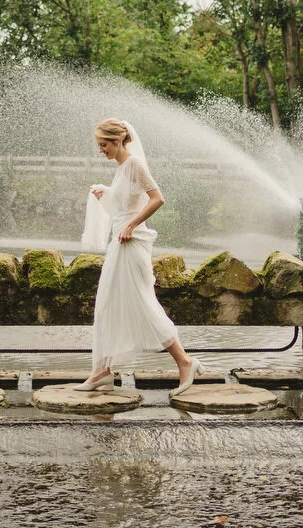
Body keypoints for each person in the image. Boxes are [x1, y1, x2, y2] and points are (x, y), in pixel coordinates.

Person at [77, 118, 208, 396]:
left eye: (103, 145)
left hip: (131, 244)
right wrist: (107, 193)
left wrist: (131, 225)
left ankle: (186, 362)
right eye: (99, 145)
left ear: (117, 141)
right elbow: (127, 201)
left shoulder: (134, 163)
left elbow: (157, 198)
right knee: (106, 306)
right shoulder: (121, 168)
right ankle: (102, 370)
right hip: (120, 243)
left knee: (144, 307)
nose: (100, 150)